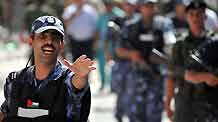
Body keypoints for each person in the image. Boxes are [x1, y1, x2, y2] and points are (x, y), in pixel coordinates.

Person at [0, 16, 95, 122]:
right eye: (43, 36)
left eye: (55, 37)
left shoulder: (68, 78)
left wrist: (81, 76)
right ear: (31, 41)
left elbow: (77, 85)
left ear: (62, 44)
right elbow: (5, 112)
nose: (49, 41)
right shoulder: (15, 81)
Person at [165, 1, 214, 122]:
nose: (195, 18)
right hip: (185, 104)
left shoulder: (213, 43)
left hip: (209, 103)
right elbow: (171, 76)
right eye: (191, 14)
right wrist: (167, 103)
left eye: (199, 14)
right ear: (186, 17)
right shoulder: (180, 44)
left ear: (205, 16)